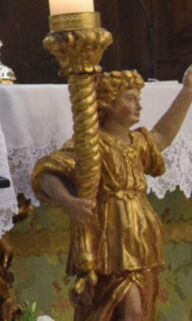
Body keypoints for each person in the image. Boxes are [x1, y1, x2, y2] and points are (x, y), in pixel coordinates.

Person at [33, 66, 192, 320]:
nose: (138, 106)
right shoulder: (90, 144)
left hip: (141, 235)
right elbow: (48, 173)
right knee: (127, 310)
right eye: (129, 99)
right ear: (108, 102)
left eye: (138, 99)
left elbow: (162, 136)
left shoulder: (136, 142)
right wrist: (70, 202)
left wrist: (187, 92)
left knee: (144, 305)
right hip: (111, 238)